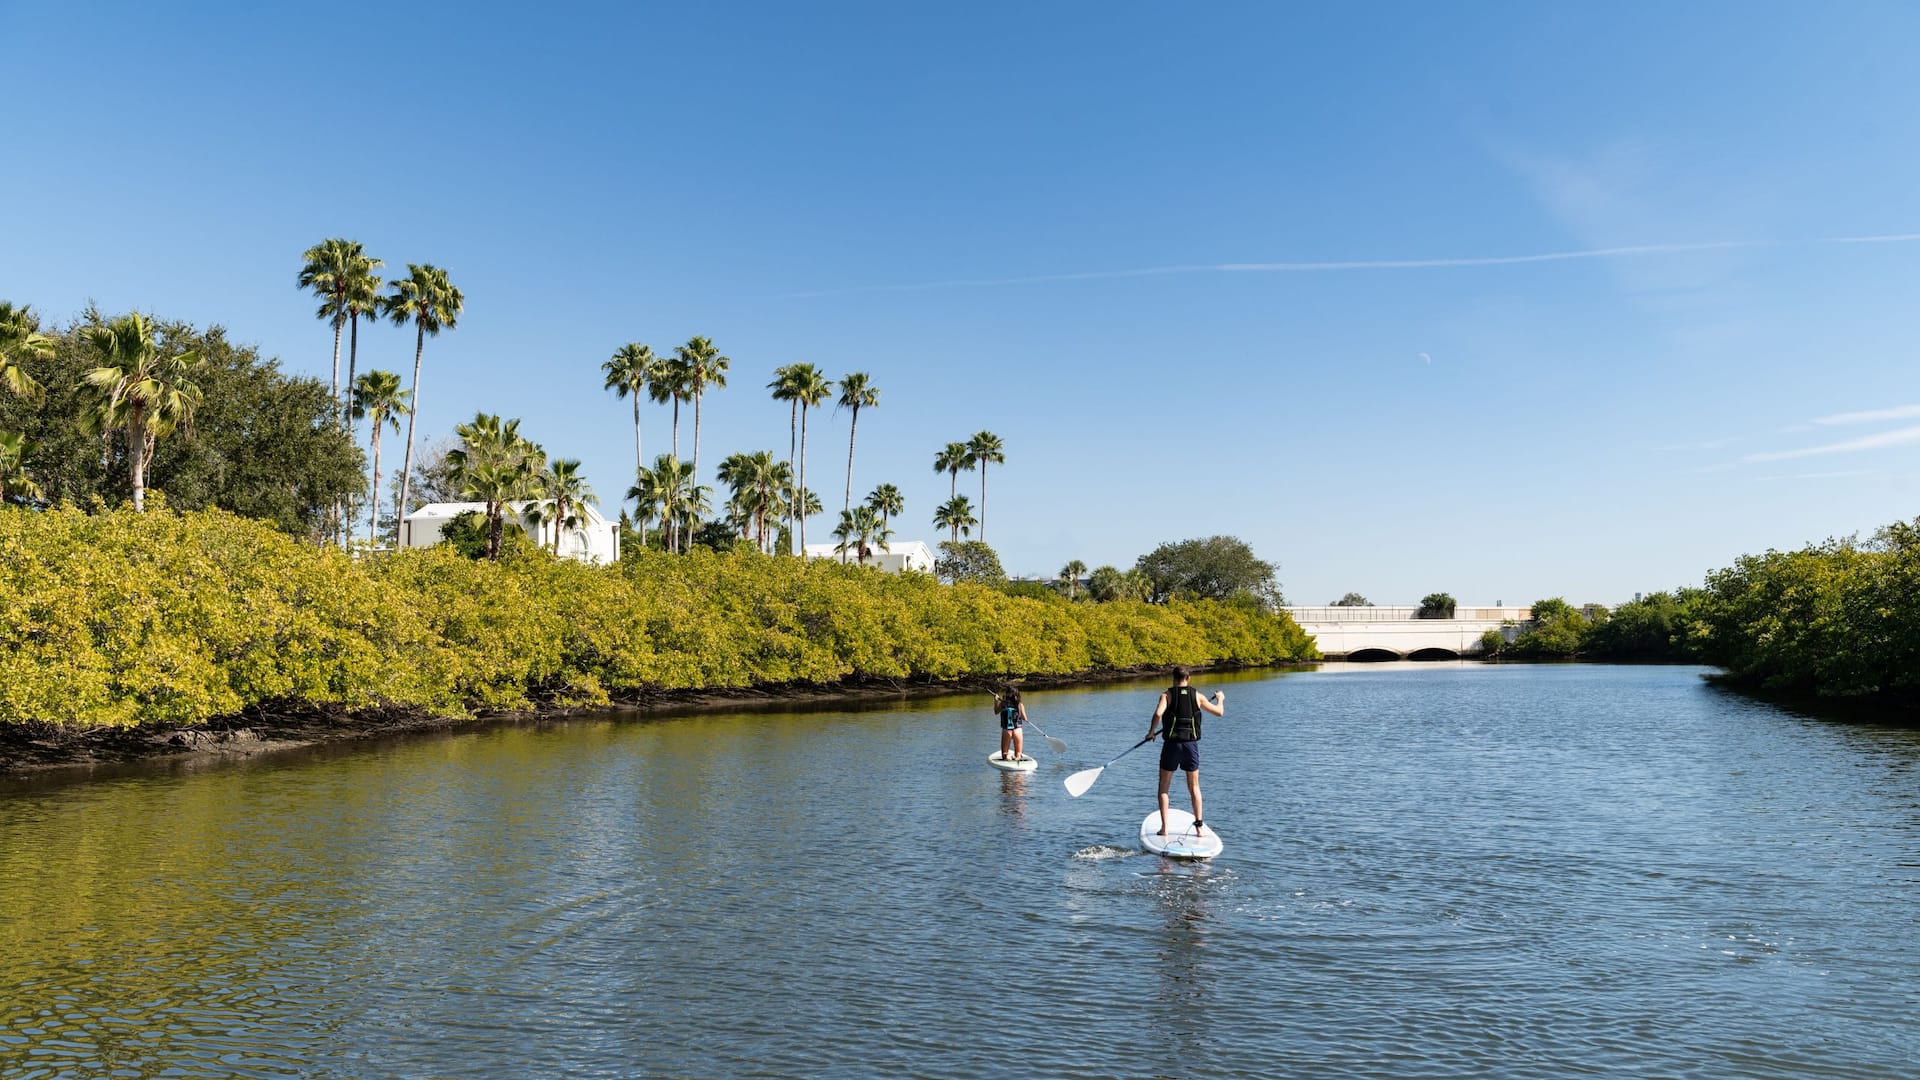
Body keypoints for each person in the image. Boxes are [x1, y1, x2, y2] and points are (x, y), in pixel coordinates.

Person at [1145, 665, 1225, 836]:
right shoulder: (1198, 696)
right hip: (1190, 746)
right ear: (1188, 679)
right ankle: (1199, 828)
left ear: (1173, 679)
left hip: (1171, 746)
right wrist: (1220, 699)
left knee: (1164, 787)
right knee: (1194, 787)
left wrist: (1151, 732)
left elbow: (1159, 713)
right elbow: (1219, 713)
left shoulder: (1166, 695)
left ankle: (1164, 828)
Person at [994, 686, 1028, 762]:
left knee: (1004, 754)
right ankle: (1018, 756)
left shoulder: (1003, 704)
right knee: (1018, 753)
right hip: (1018, 729)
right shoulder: (1020, 704)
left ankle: (1007, 755)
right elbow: (1025, 718)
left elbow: (996, 712)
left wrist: (996, 701)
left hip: (1007, 730)